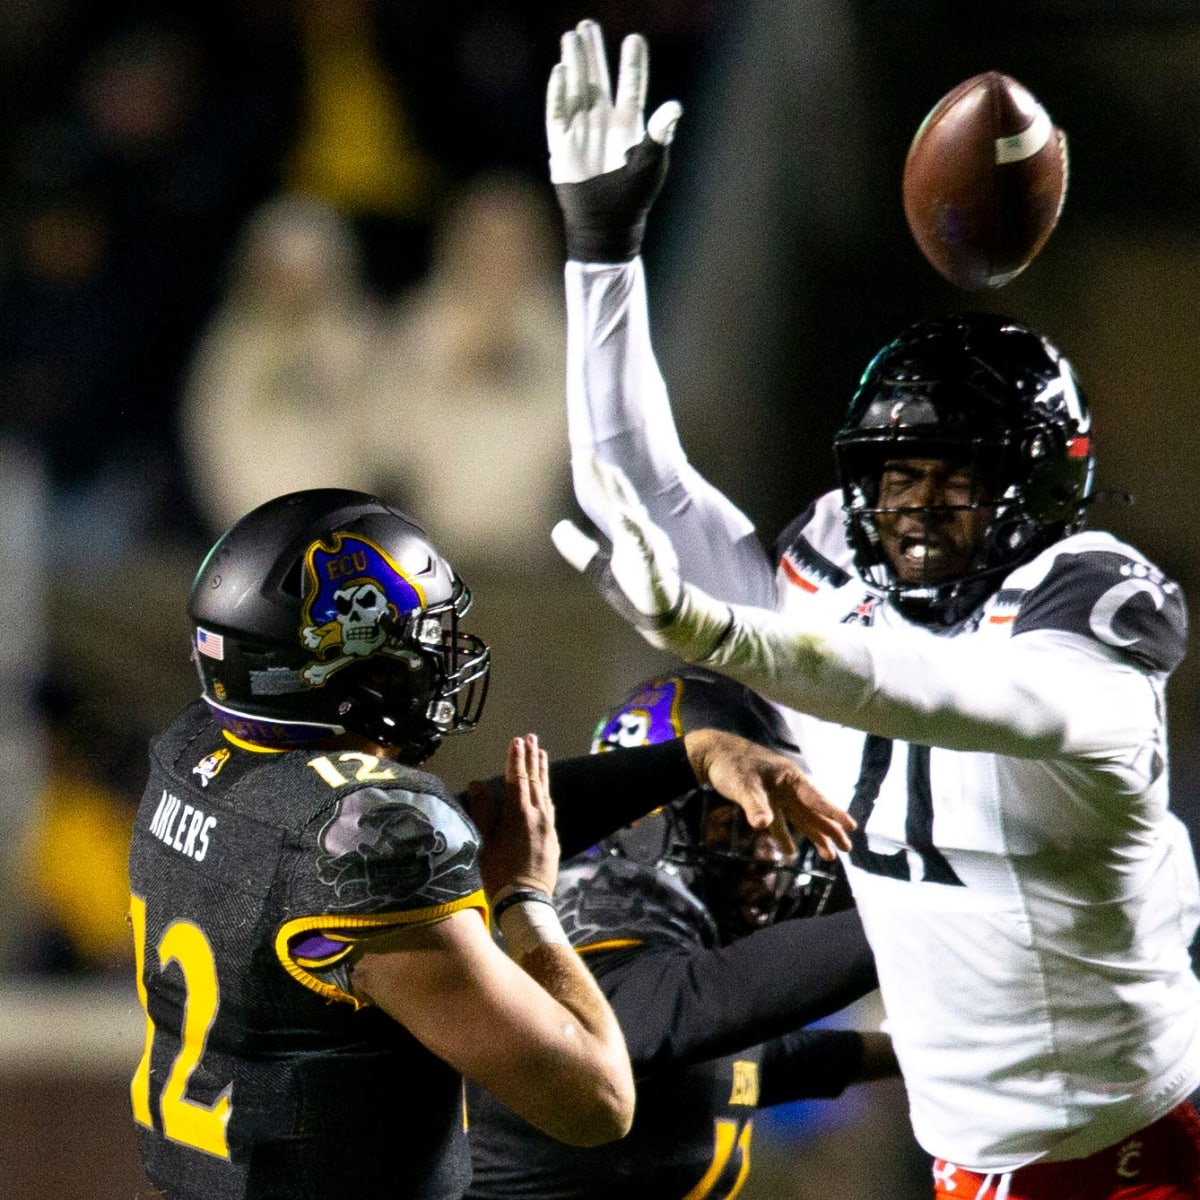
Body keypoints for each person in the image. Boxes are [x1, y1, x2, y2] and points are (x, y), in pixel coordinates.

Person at [544, 20, 1200, 1200]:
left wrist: (721, 636)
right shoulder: (839, 578)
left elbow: (960, 699)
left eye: (957, 476)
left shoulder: (1094, 608)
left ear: (1040, 487)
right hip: (966, 1153)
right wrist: (604, 252)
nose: (914, 507)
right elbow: (636, 490)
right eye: (895, 475)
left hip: (1125, 1151)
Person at [127, 487, 853, 1200]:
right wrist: (525, 899)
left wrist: (686, 759)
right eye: (425, 638)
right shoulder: (361, 847)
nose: (442, 658)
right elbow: (597, 1101)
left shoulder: (202, 751)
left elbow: (446, 829)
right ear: (358, 665)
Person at [466, 666, 896, 1200]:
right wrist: (927, 914)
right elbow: (660, 1022)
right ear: (647, 820)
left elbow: (732, 1060)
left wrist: (902, 1055)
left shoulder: (677, 951)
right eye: (744, 817)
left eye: (787, 827)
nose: (773, 852)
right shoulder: (585, 896)